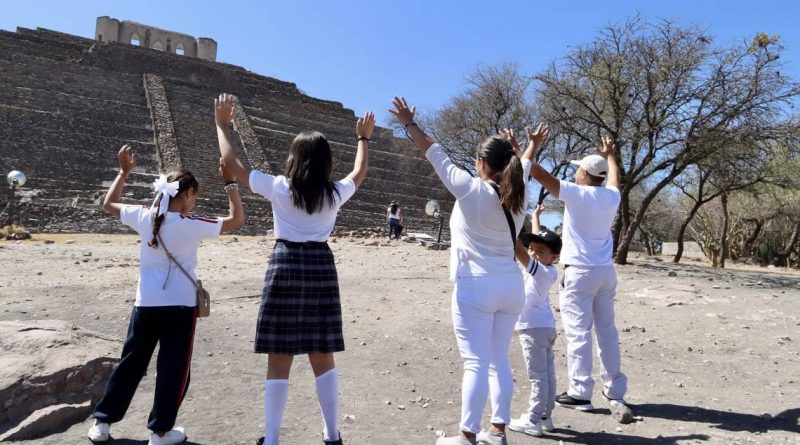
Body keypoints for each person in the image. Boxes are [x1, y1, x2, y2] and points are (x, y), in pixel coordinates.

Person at [214, 93, 374, 445]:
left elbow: (231, 163)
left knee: (279, 356)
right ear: (326, 163)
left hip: (284, 264)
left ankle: (271, 440)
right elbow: (359, 172)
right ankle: (332, 435)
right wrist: (363, 138)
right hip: (320, 266)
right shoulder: (334, 194)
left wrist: (222, 125)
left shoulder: (279, 186)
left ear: (293, 158)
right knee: (322, 353)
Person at [390, 96, 548, 445]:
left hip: (476, 286)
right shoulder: (518, 195)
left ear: (480, 163)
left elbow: (434, 151)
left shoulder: (469, 189)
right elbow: (522, 164)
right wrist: (532, 147)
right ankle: (497, 431)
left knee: (475, 363)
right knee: (497, 361)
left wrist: (408, 122)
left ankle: (466, 436)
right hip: (511, 287)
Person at [88, 145, 244, 444]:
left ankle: (102, 423)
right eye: (194, 196)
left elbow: (109, 203)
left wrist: (124, 173)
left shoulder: (143, 216)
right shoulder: (190, 224)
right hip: (180, 306)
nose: (194, 202)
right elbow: (236, 219)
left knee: (131, 363)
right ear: (186, 195)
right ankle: (160, 432)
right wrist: (230, 182)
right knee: (173, 368)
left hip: (145, 303)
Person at [527, 135, 633, 424]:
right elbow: (614, 178)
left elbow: (538, 174)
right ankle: (615, 390)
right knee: (607, 331)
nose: (575, 172)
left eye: (578, 169)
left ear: (585, 174)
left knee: (579, 332)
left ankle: (580, 391)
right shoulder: (612, 196)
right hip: (604, 271)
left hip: (579, 273)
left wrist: (524, 150)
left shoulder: (576, 193)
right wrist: (611, 154)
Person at [507, 204, 562, 438]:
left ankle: (532, 420)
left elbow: (519, 252)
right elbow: (533, 246)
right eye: (532, 249)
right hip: (545, 327)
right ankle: (545, 416)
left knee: (538, 377)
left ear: (554, 257)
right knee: (548, 375)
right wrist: (537, 218)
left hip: (533, 329)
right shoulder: (546, 268)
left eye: (540, 252)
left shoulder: (541, 271)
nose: (533, 254)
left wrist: (507, 228)